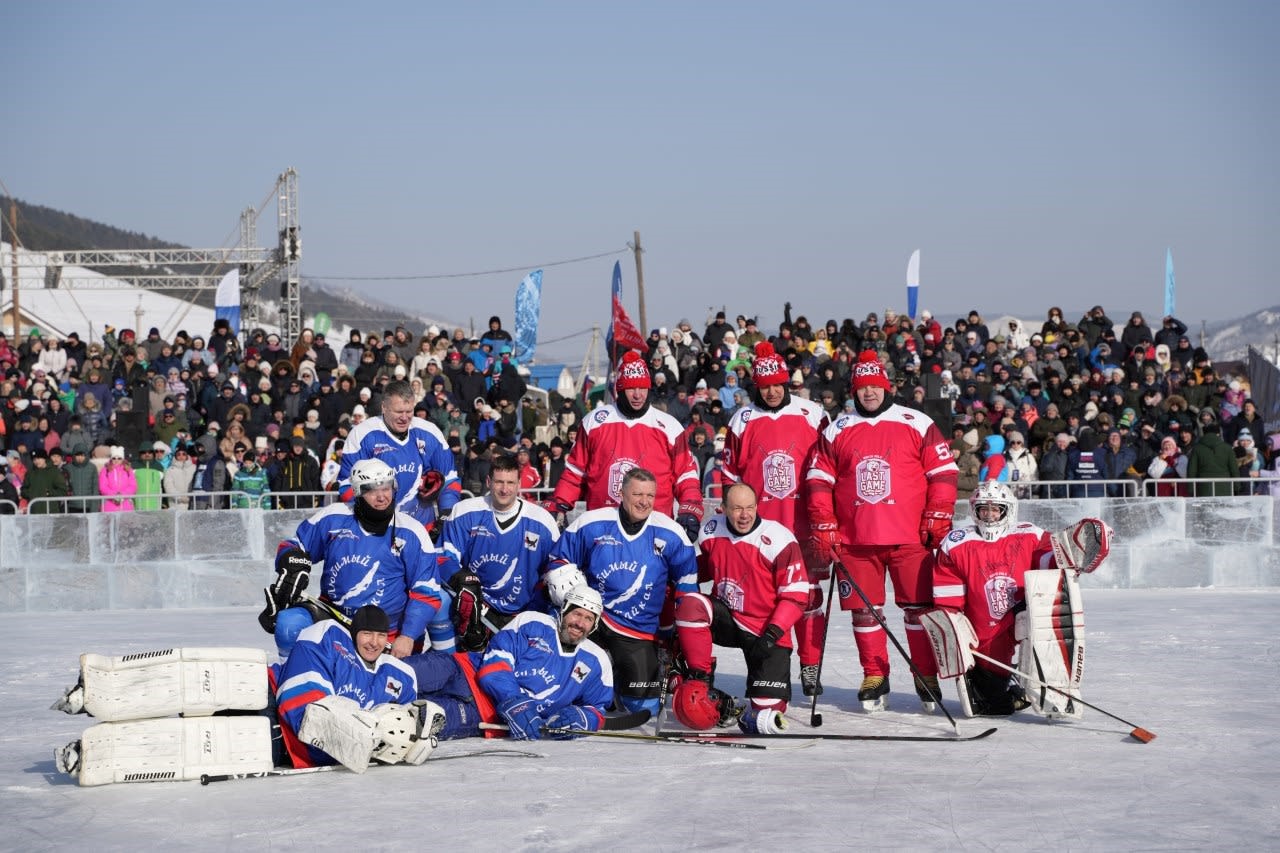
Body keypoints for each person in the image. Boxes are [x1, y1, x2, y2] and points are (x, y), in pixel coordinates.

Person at [54, 604, 441, 783]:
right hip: (264, 694)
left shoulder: (398, 676)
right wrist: (360, 733)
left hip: (281, 745)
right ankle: (104, 688)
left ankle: (97, 753)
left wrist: (413, 738)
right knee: (193, 694)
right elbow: (300, 702)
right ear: (354, 632)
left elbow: (404, 720)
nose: (372, 642)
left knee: (188, 740)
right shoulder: (329, 639)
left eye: (379, 635)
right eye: (366, 633)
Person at [805, 350, 958, 711]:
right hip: (856, 539)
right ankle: (875, 673)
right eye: (862, 387)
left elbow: (944, 473)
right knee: (864, 611)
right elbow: (818, 479)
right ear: (854, 391)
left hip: (910, 536)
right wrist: (823, 522)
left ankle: (926, 674)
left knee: (919, 609)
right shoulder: (838, 428)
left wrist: (938, 514)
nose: (868, 393)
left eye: (874, 386)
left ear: (885, 386)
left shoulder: (916, 422)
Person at [926, 482, 1109, 717]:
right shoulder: (956, 542)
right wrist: (954, 625)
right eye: (984, 509)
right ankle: (1011, 684)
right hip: (985, 629)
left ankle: (1056, 693)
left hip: (1025, 614)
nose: (990, 515)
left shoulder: (1028, 533)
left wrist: (1074, 550)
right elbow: (948, 593)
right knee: (991, 706)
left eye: (996, 509)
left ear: (1007, 510)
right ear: (975, 511)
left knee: (1047, 644)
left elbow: (1051, 562)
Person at [258, 457, 455, 660]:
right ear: (358, 492)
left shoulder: (412, 531)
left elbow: (426, 592)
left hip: (388, 634)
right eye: (371, 490)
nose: (381, 497)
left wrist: (408, 636)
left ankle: (448, 670)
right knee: (289, 624)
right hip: (334, 621)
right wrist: (292, 560)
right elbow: (294, 545)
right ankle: (290, 683)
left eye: (386, 488)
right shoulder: (333, 517)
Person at [721, 342, 830, 696]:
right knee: (773, 601)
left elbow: (831, 470)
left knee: (809, 599)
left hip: (804, 524)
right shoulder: (743, 419)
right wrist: (735, 515)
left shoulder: (812, 414)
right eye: (765, 385)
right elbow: (728, 474)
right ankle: (770, 664)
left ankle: (811, 665)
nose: (771, 391)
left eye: (777, 384)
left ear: (787, 383)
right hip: (762, 530)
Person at [544, 467, 698, 715]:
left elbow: (688, 585)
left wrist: (683, 628)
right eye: (637, 494)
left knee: (642, 707)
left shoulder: (671, 533)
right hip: (591, 619)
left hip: (637, 630)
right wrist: (567, 586)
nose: (644, 501)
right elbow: (558, 559)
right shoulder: (593, 522)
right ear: (621, 493)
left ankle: (617, 678)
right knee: (565, 685)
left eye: (650, 495)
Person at [673, 483, 808, 734]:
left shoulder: (779, 539)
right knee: (691, 604)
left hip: (765, 631)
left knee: (767, 713)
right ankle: (699, 678)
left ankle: (736, 710)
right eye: (736, 509)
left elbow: (796, 596)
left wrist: (771, 635)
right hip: (727, 618)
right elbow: (697, 569)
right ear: (723, 508)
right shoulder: (712, 530)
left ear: (757, 507)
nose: (744, 515)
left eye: (749, 508)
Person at [406, 586, 615, 741]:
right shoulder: (532, 622)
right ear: (564, 611)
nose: (580, 623)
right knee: (397, 675)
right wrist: (514, 700)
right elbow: (496, 664)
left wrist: (584, 718)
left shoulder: (596, 660)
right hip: (461, 670)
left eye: (588, 618)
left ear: (594, 625)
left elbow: (598, 708)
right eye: (576, 613)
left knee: (412, 722)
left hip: (482, 712)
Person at [544, 351, 703, 541]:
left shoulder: (669, 427)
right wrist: (558, 504)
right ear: (619, 389)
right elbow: (575, 473)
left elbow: (686, 475)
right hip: (602, 528)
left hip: (654, 530)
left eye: (643, 388)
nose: (637, 395)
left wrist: (690, 509)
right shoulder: (595, 422)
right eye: (631, 388)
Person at [438, 453, 560, 650]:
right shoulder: (464, 511)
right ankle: (449, 657)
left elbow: (556, 566)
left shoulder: (542, 521)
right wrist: (461, 578)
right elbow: (443, 557)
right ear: (488, 482)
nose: (505, 489)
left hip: (523, 609)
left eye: (510, 483)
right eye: (499, 482)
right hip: (478, 605)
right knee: (441, 601)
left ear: (519, 484)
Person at [339, 379, 462, 532]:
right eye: (398, 412)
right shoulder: (362, 434)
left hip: (422, 528)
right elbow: (346, 484)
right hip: (378, 529)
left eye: (409, 411)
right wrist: (372, 516)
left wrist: (446, 515)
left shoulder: (429, 432)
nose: (404, 417)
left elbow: (450, 478)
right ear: (384, 407)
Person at [98, 445, 137, 512]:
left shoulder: (128, 470)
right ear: (111, 458)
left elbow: (133, 486)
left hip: (126, 506)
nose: (116, 460)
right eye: (114, 458)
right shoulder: (105, 470)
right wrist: (114, 496)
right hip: (109, 506)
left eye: (119, 458)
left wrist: (122, 495)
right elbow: (103, 487)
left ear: (122, 459)